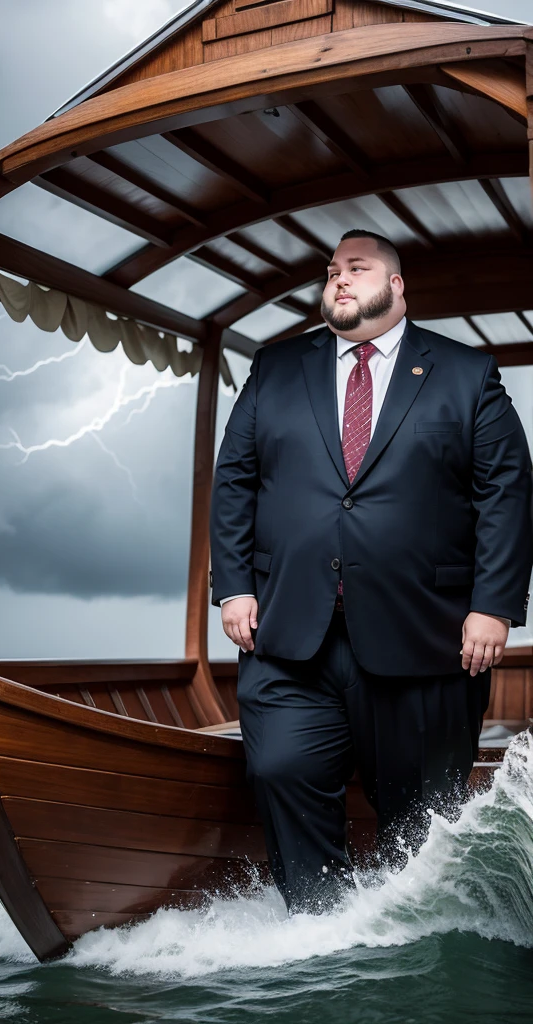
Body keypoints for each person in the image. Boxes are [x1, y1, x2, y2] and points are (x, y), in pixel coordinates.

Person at [209, 229, 533, 913]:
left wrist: (494, 605)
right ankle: (318, 931)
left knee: (418, 815)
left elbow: (506, 491)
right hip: (289, 631)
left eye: (356, 268)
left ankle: (407, 943)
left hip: (429, 638)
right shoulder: (275, 368)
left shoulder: (465, 373)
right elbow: (234, 481)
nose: (339, 280)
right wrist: (234, 585)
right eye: (331, 272)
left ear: (397, 286)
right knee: (280, 766)